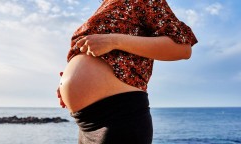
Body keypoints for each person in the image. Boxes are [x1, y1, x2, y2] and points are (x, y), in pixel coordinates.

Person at [57, 0, 198, 143]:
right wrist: (68, 84)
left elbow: (182, 48)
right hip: (86, 122)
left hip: (119, 116)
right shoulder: (106, 5)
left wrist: (114, 41)